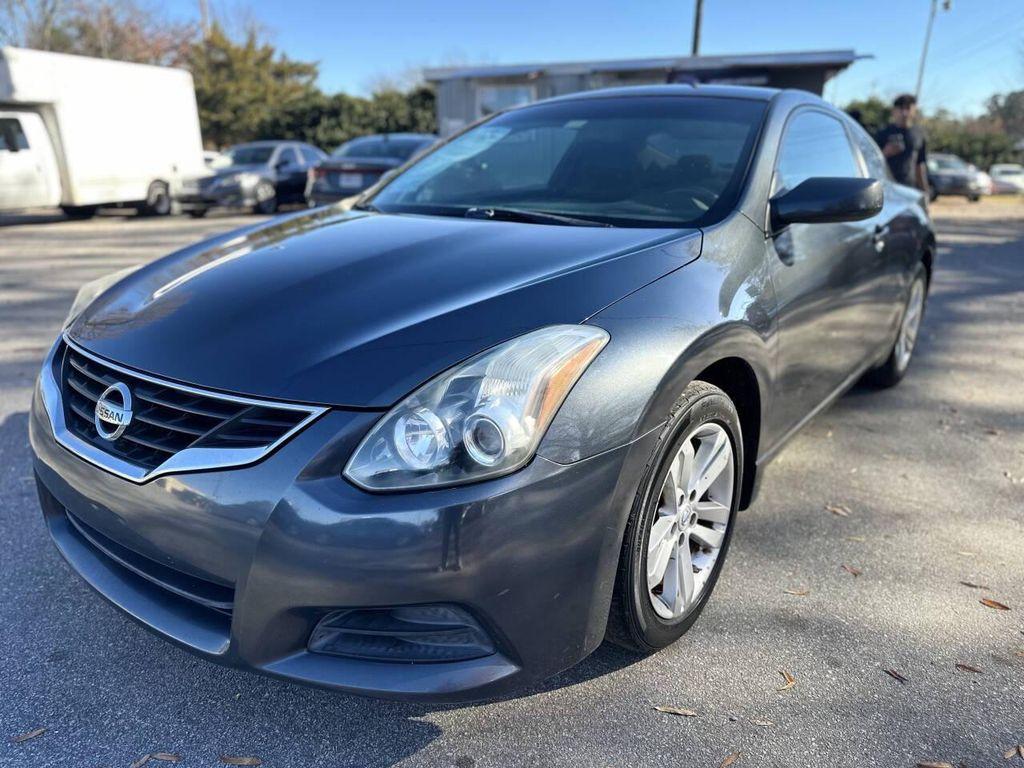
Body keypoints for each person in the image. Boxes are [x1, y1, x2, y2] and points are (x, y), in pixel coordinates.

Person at [875, 94, 930, 195]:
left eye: (908, 108)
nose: (904, 113)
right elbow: (871, 162)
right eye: (901, 109)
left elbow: (920, 164)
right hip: (886, 189)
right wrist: (885, 153)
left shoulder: (919, 134)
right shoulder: (882, 133)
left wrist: (925, 191)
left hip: (910, 190)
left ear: (914, 111)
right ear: (893, 111)